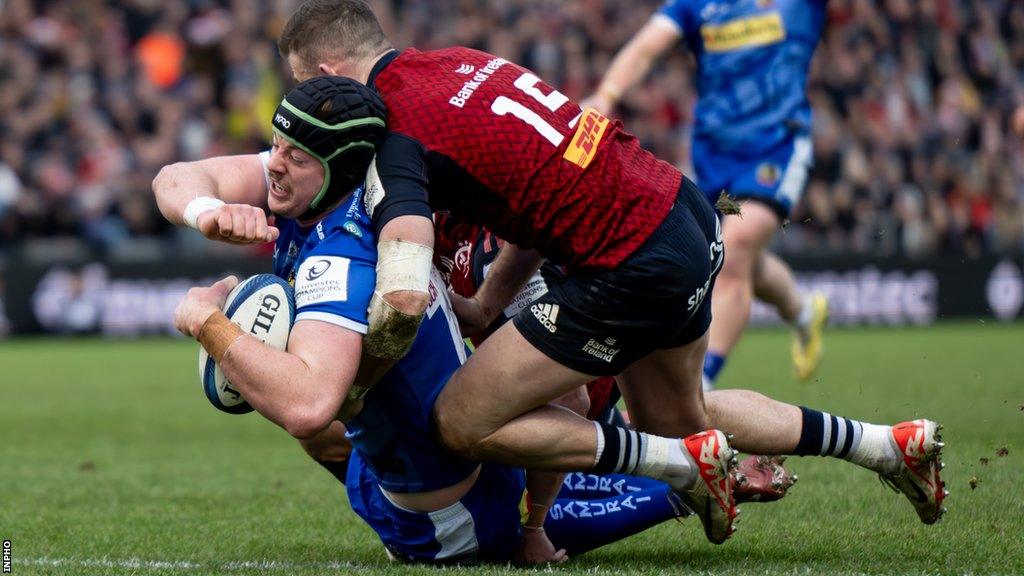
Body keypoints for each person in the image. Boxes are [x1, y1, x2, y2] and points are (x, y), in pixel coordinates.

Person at [271, 0, 947, 540]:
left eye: (307, 91)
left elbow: (405, 286)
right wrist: (485, 307)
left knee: (460, 420)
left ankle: (680, 471)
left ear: (330, 69)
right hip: (679, 212)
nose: (304, 117)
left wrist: (359, 369)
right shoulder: (459, 61)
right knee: (685, 418)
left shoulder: (397, 131)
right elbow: (534, 201)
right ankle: (888, 446)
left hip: (628, 262)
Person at [157, 77, 784, 565]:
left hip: (444, 524)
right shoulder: (365, 197)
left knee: (319, 417)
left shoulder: (340, 257)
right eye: (274, 144)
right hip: (494, 463)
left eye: (293, 153)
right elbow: (177, 177)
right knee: (371, 419)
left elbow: (307, 403)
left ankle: (674, 477)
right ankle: (724, 460)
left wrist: (210, 324)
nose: (272, 164)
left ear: (341, 164)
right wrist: (210, 209)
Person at [582, 0, 830, 388]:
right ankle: (803, 313)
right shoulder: (695, 5)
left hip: (775, 149)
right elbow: (646, 47)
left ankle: (702, 385)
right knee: (735, 256)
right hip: (712, 158)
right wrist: (607, 94)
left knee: (737, 245)